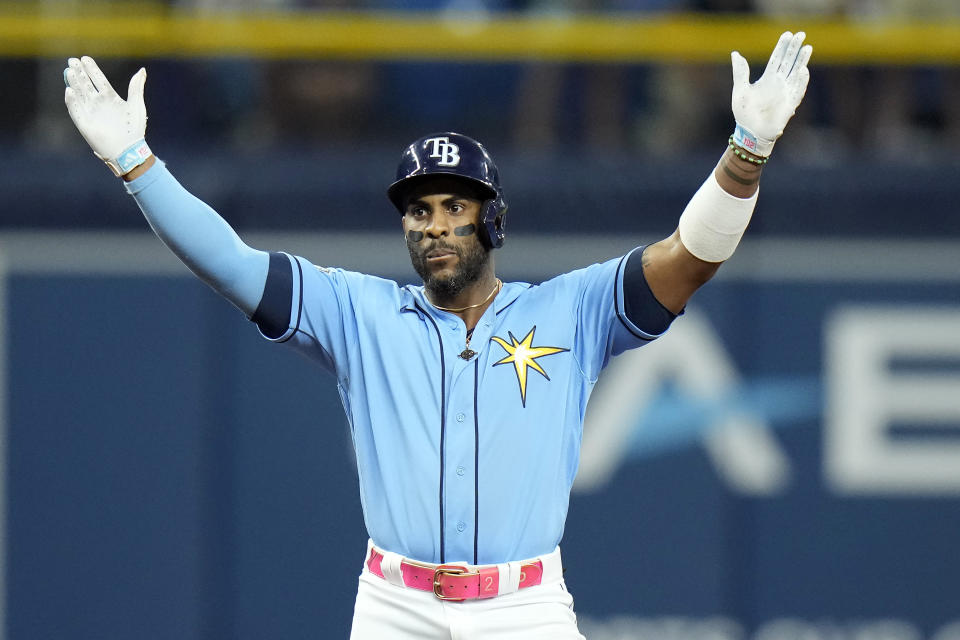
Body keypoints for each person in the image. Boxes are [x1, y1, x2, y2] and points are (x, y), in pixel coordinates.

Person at [63, 30, 812, 639]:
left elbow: (690, 259)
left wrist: (746, 152)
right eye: (419, 211)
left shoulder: (568, 310)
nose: (436, 224)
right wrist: (136, 163)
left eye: (456, 205)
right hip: (394, 606)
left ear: (492, 220)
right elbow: (229, 263)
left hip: (524, 609)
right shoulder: (358, 314)